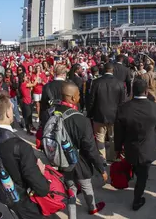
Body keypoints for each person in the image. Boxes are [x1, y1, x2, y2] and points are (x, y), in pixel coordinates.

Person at [0, 90, 50, 219]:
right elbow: (42, 188)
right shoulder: (21, 147)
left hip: (4, 192)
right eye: (11, 107)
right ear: (7, 112)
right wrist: (41, 172)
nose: (13, 109)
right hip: (23, 198)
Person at [114, 79, 156, 211]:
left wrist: (117, 148)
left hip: (130, 148)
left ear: (132, 90)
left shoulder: (123, 108)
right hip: (147, 150)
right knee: (143, 177)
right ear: (146, 91)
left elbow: (118, 132)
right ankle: (137, 201)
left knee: (137, 168)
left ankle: (134, 175)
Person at [55, 82, 107, 215]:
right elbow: (90, 148)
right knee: (86, 186)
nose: (80, 97)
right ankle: (92, 207)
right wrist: (101, 168)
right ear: (72, 98)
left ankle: (72, 215)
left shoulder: (52, 113)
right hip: (80, 162)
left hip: (61, 160)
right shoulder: (81, 120)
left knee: (70, 189)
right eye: (78, 95)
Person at [88, 62, 125, 163]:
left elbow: (91, 100)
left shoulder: (96, 82)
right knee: (113, 137)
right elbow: (122, 102)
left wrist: (89, 114)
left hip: (99, 115)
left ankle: (102, 158)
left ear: (104, 70)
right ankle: (112, 156)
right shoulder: (120, 83)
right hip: (115, 116)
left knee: (100, 138)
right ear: (113, 71)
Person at [39, 64, 68, 129]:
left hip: (50, 118)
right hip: (65, 117)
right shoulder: (69, 85)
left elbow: (43, 104)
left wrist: (41, 119)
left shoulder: (47, 86)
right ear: (64, 74)